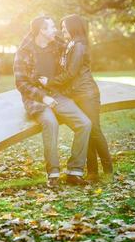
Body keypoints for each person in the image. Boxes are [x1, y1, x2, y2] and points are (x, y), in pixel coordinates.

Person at [14, 15, 92, 188]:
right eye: (50, 27)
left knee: (85, 124)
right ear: (41, 30)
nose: (55, 30)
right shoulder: (23, 52)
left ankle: (74, 171)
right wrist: (43, 97)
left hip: (57, 94)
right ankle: (53, 174)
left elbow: (74, 59)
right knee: (51, 123)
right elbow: (21, 83)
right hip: (36, 98)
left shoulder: (59, 46)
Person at [38, 14, 113, 182]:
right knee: (85, 131)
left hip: (87, 95)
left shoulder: (78, 46)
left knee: (94, 131)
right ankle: (92, 172)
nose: (62, 29)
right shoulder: (70, 45)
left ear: (73, 27)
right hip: (76, 95)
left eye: (64, 27)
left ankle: (108, 170)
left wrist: (50, 82)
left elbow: (71, 73)